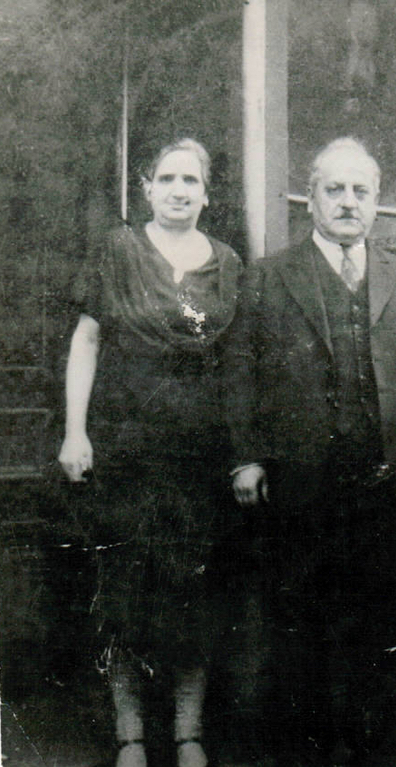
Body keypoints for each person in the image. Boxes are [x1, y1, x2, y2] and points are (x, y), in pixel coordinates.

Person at [225, 137, 396, 767]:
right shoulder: (269, 275)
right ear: (313, 199)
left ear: (378, 201)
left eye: (361, 191)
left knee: (382, 627)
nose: (348, 202)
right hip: (302, 486)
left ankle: (382, 753)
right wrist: (246, 457)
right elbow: (240, 374)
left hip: (389, 484)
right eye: (335, 189)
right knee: (301, 625)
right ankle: (310, 754)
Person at [59, 138, 242, 767]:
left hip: (200, 458)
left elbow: (238, 363)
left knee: (196, 598)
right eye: (166, 178)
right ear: (146, 187)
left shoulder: (227, 262)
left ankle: (188, 734)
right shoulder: (118, 250)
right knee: (125, 597)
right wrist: (75, 432)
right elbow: (87, 339)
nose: (179, 190)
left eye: (191, 179)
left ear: (207, 192)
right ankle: (130, 736)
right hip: (126, 452)